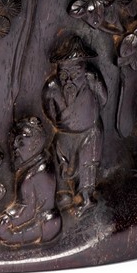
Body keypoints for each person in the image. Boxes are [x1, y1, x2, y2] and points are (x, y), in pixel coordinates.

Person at [42, 35, 107, 212]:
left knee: (87, 165)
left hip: (89, 131)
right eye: (64, 75)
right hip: (64, 134)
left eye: (75, 74)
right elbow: (49, 110)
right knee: (60, 160)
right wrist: (62, 123)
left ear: (84, 71)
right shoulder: (53, 88)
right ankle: (64, 193)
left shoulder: (91, 80)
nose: (69, 81)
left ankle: (86, 198)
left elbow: (103, 99)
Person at [0, 116, 61, 246]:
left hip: (44, 225)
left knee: (4, 235)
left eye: (21, 143)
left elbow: (28, 210)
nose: (15, 148)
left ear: (35, 144)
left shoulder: (33, 175)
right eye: (13, 143)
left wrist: (9, 218)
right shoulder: (42, 160)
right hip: (48, 220)